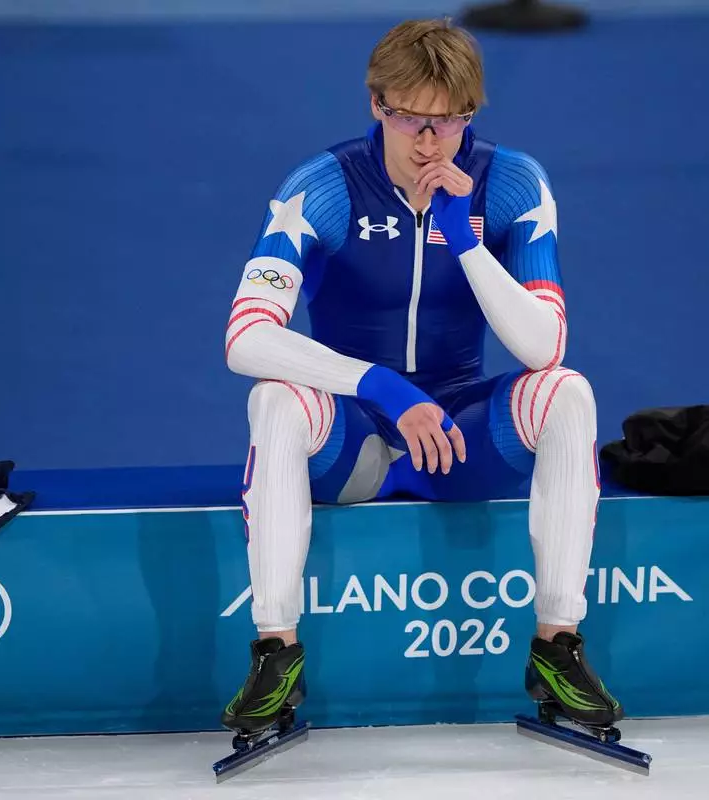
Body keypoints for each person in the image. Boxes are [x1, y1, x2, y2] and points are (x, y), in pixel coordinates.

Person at [221, 17, 622, 741]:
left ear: (471, 114)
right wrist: (379, 385)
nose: (431, 144)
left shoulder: (511, 184)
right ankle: (276, 652)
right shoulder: (322, 188)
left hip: (457, 440)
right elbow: (246, 336)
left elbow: (544, 344)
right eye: (410, 119)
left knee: (569, 392)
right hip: (353, 440)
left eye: (451, 122)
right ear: (376, 104)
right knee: (275, 398)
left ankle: (557, 645)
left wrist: (463, 235)